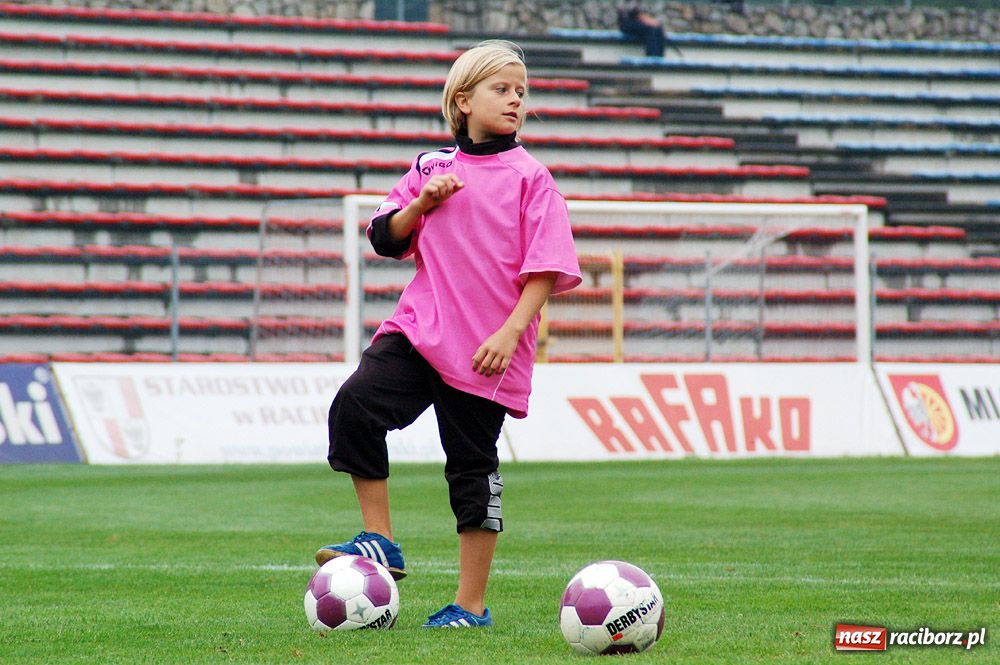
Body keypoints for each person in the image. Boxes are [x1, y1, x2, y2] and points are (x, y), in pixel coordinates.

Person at [314, 40, 582, 629]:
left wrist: (511, 335)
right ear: (463, 99)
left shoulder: (532, 178)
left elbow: (547, 270)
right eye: (501, 89)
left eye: (520, 91)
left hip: (487, 352)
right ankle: (379, 539)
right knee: (355, 405)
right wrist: (422, 206)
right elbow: (384, 237)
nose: (516, 99)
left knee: (471, 474)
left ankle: (470, 606)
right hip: (419, 330)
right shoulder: (431, 167)